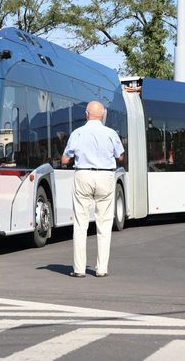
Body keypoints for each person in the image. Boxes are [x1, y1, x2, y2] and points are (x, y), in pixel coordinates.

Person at [61, 101, 124, 278]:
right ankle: (101, 268)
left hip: (83, 176)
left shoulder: (77, 133)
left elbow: (66, 159)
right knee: (104, 224)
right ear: (103, 115)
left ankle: (79, 269)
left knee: (80, 224)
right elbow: (120, 156)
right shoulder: (111, 133)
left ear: (87, 115)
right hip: (105, 176)